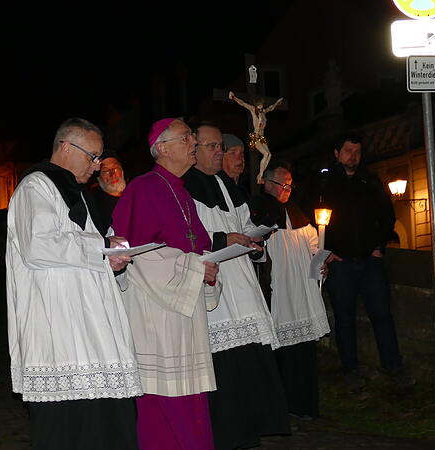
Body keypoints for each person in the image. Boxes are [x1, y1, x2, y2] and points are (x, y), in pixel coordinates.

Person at [6, 118, 142, 449]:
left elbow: (92, 250)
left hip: (95, 328)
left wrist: (115, 256)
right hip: (59, 330)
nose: (97, 166)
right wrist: (101, 250)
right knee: (67, 427)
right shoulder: (35, 187)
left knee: (108, 421)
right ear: (66, 147)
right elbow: (38, 245)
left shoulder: (82, 195)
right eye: (92, 156)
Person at [112, 117, 221, 450]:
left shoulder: (183, 193)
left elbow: (196, 244)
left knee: (191, 396)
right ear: (161, 148)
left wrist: (208, 268)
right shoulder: (142, 189)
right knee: (164, 398)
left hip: (183, 310)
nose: (193, 143)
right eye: (186, 137)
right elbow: (136, 254)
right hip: (155, 311)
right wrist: (193, 268)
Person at [183, 123, 290, 449]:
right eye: (213, 146)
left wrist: (254, 241)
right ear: (195, 149)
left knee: (249, 361)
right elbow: (185, 237)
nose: (219, 152)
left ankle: (249, 429)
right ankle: (225, 433)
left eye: (221, 146)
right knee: (225, 367)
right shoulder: (184, 186)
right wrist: (223, 239)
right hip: (215, 286)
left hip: (241, 281)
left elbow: (243, 224)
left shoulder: (226, 185)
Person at [305, 132, 414, 393]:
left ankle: (393, 367)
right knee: (344, 318)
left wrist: (379, 246)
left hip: (370, 261)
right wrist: (325, 251)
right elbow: (308, 216)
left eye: (357, 152)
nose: (352, 157)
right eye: (347, 151)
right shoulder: (323, 182)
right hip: (340, 262)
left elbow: (387, 215)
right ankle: (350, 370)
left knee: (382, 315)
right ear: (336, 153)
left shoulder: (370, 180)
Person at [250, 160, 332, 419]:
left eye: (290, 185)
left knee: (304, 351)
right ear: (267, 183)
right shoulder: (259, 209)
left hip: (302, 291)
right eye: (282, 184)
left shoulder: (297, 214)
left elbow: (312, 245)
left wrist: (319, 264)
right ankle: (282, 407)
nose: (287, 189)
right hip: (278, 289)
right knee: (282, 353)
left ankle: (305, 404)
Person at [228, 91, 284, 185]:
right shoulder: (253, 110)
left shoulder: (263, 112)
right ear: (256, 106)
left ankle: (260, 175)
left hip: (261, 137)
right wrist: (234, 98)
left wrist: (277, 103)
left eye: (261, 107)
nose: (260, 109)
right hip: (255, 137)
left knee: (269, 155)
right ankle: (260, 176)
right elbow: (243, 103)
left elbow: (271, 108)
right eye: (259, 107)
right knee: (266, 154)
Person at [91, 154, 126, 222]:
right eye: (106, 171)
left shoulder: (136, 193)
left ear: (122, 171)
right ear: (99, 178)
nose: (112, 174)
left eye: (116, 168)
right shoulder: (95, 206)